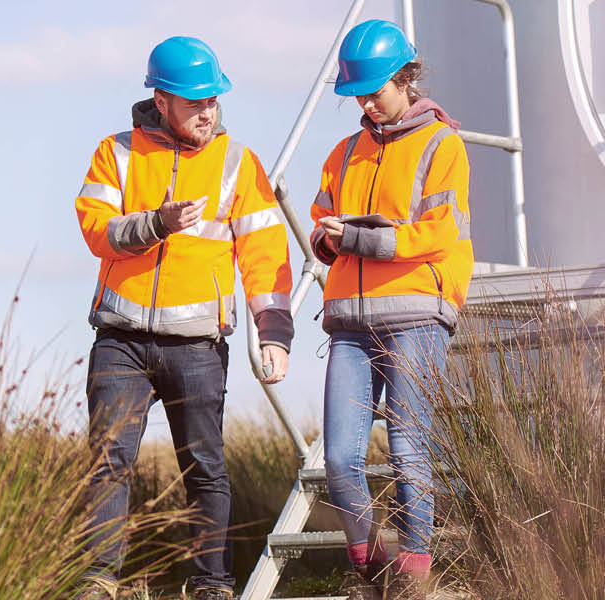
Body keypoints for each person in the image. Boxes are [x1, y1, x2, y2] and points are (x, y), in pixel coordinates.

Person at [74, 36, 295, 600]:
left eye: (213, 100)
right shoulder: (115, 152)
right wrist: (155, 223)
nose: (207, 111)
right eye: (195, 102)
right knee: (107, 461)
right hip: (119, 341)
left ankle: (210, 584)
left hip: (197, 347)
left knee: (204, 467)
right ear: (162, 99)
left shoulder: (239, 164)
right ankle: (98, 581)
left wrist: (274, 333)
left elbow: (266, 255)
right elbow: (97, 231)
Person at [310, 19, 472, 600]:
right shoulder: (343, 151)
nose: (367, 104)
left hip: (416, 316)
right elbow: (320, 227)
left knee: (407, 451)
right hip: (349, 323)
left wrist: (360, 239)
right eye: (358, 94)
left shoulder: (443, 145)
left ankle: (415, 579)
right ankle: (371, 571)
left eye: (374, 91)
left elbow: (436, 233)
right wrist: (329, 239)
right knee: (339, 459)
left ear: (406, 79)